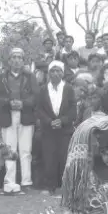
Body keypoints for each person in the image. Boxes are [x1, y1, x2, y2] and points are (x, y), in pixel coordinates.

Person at [0, 48, 39, 195]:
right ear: (9, 61)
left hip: (25, 116)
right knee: (9, 150)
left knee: (26, 150)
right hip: (8, 116)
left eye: (20, 57)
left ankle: (26, 182)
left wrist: (24, 103)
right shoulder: (1, 77)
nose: (17, 60)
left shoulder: (30, 76)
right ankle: (10, 183)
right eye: (14, 57)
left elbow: (36, 95)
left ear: (23, 60)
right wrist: (9, 103)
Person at [35, 61, 77, 195]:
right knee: (49, 157)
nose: (55, 73)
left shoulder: (69, 88)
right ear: (48, 73)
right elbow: (39, 109)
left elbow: (72, 110)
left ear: (63, 73)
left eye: (58, 70)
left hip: (65, 130)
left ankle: (66, 186)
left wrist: (62, 121)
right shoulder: (43, 89)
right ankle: (50, 186)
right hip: (48, 130)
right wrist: (49, 121)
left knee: (65, 158)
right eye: (52, 71)